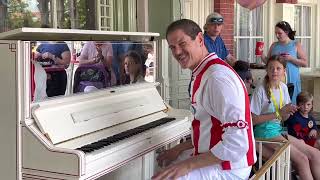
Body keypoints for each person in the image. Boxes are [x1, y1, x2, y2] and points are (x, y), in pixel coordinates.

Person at [152, 19, 256, 180]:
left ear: (200, 39)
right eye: (172, 47)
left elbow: (237, 143)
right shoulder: (204, 71)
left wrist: (187, 165)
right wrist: (180, 148)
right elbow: (208, 129)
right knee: (164, 168)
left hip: (230, 167)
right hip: (217, 157)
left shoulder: (217, 78)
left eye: (182, 43)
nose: (177, 52)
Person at [250, 55, 320, 179]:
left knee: (315, 154)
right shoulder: (260, 90)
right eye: (271, 68)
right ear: (267, 70)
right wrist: (279, 113)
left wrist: (290, 112)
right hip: (264, 132)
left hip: (278, 130)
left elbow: (285, 118)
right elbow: (253, 120)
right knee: (302, 159)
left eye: (278, 68)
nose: (274, 71)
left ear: (284, 71)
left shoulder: (283, 87)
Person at [261, 21, 308, 104]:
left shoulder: (296, 44)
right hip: (276, 78)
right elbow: (268, 62)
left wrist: (291, 59)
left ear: (286, 32)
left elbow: (305, 63)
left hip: (291, 78)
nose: (277, 35)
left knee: (291, 104)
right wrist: (261, 54)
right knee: (277, 102)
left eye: (279, 33)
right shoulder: (274, 45)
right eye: (276, 33)